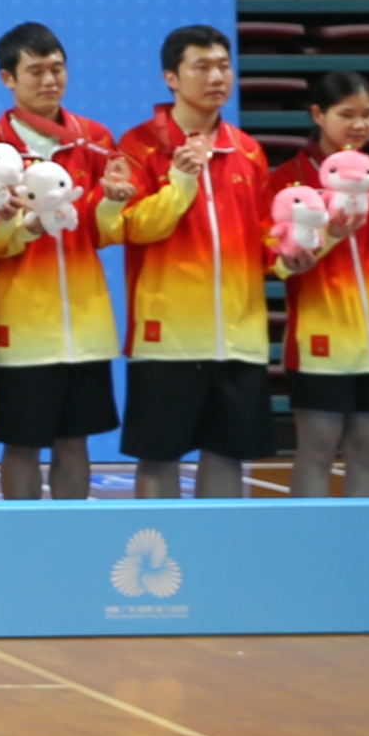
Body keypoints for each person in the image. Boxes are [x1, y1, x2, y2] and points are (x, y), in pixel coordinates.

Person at [0, 23, 134, 501]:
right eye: (36, 71)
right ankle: (21, 538)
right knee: (21, 445)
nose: (49, 80)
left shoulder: (96, 140)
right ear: (7, 78)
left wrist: (113, 203)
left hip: (85, 323)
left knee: (75, 441)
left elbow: (105, 233)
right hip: (20, 327)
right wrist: (25, 228)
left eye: (57, 69)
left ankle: (72, 539)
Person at [112, 25, 275, 499]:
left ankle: (218, 546)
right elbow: (133, 226)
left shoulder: (248, 151)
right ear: (171, 78)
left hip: (238, 336)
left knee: (227, 456)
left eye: (223, 65)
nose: (216, 77)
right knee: (159, 458)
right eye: (201, 67)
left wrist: (292, 254)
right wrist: (180, 181)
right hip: (169, 338)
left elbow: (265, 234)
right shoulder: (139, 145)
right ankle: (155, 546)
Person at [269, 72, 369, 499]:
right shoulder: (289, 180)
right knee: (317, 449)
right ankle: (308, 538)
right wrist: (331, 233)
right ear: (318, 115)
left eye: (368, 114)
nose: (359, 124)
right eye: (347, 114)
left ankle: (365, 539)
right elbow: (278, 265)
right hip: (320, 339)